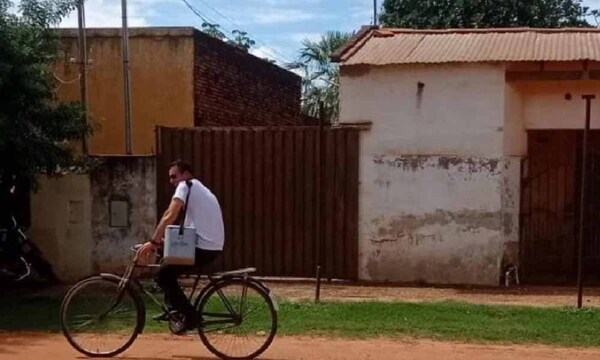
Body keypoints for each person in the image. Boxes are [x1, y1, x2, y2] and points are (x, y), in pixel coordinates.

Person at [138, 160, 224, 332]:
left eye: (174, 176)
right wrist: (163, 241)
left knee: (163, 276)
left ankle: (191, 316)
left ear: (186, 174)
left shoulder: (185, 185)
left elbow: (170, 214)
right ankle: (174, 310)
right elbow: (177, 220)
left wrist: (153, 241)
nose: (172, 181)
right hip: (208, 245)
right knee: (165, 257)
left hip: (204, 248)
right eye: (170, 178)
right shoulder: (197, 188)